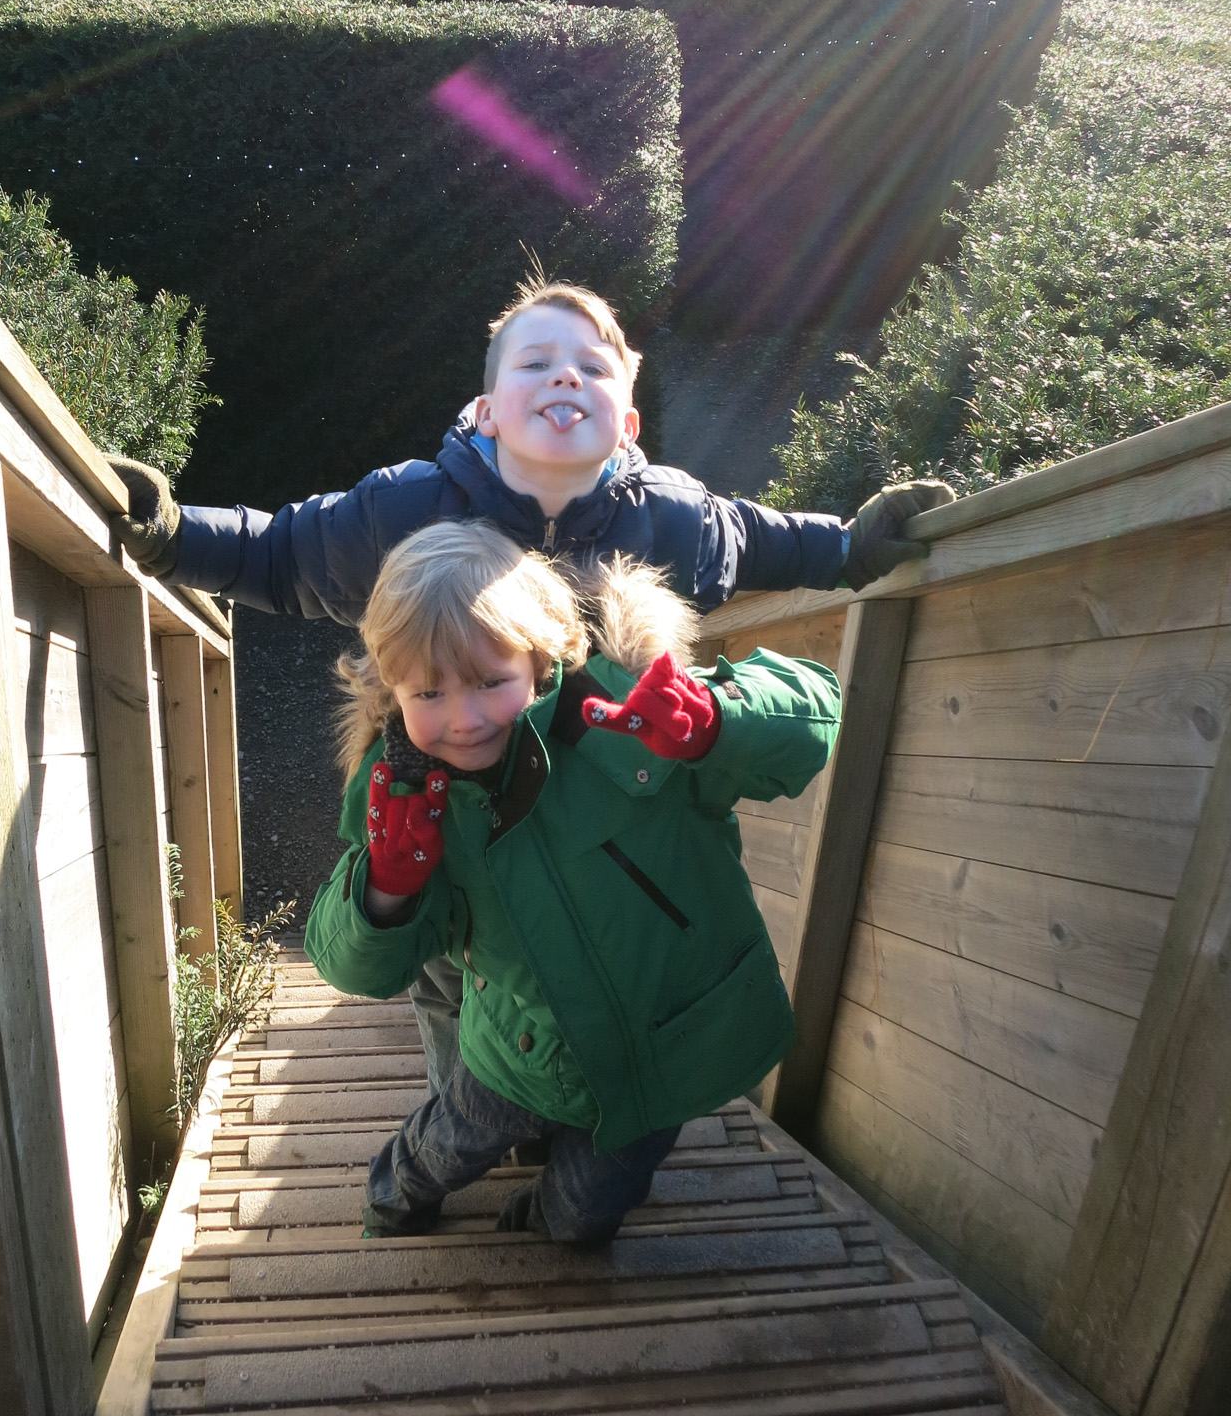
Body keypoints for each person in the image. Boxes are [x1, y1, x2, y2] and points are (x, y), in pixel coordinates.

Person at [109, 274, 952, 1089]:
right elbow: (282, 552)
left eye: (591, 367)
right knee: (453, 965)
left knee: (574, 950)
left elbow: (762, 543)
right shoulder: (407, 508)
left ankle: (574, 1103)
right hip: (454, 794)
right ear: (485, 410)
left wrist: (852, 548)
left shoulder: (673, 515)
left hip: (586, 800)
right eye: (537, 362)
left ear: (626, 423)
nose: (565, 376)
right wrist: (174, 538)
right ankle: (463, 1095)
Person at [303, 520, 842, 1245]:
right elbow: (359, 969)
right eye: (428, 693)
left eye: (491, 682)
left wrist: (718, 722)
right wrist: (388, 888)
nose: (464, 719)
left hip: (665, 1052)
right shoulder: (413, 798)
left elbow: (815, 707)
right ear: (390, 694)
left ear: (541, 655)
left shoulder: (633, 718)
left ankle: (548, 1214)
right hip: (521, 1051)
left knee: (583, 1219)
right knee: (445, 1148)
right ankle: (391, 1198)